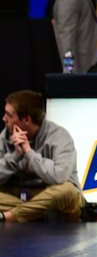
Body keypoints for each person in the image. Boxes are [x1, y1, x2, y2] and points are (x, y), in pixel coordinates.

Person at [0, 90, 82, 223]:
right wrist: (16, 156)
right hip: (20, 197)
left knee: (68, 191)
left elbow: (59, 177)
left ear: (26, 119)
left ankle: (11, 216)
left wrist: (28, 152)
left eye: (9, 115)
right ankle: (36, 213)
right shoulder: (5, 137)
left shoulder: (60, 137)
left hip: (50, 195)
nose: (4, 119)